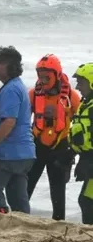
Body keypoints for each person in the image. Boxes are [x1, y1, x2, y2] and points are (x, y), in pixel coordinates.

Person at [0, 46, 35, 213]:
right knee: (18, 198)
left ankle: (1, 220)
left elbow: (9, 122)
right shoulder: (17, 86)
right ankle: (24, 225)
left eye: (0, 63)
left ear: (11, 67)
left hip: (8, 154)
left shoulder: (11, 89)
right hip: (24, 154)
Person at [26, 54, 80, 221]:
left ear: (56, 74)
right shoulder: (33, 94)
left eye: (46, 76)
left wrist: (74, 150)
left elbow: (83, 124)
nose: (42, 80)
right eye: (40, 76)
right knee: (25, 187)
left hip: (60, 148)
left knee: (58, 192)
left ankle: (59, 222)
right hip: (37, 146)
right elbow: (21, 122)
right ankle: (18, 216)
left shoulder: (72, 97)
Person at [69, 62, 93, 224]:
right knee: (86, 201)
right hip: (87, 159)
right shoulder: (86, 105)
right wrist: (70, 153)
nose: (77, 87)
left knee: (87, 201)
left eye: (81, 82)